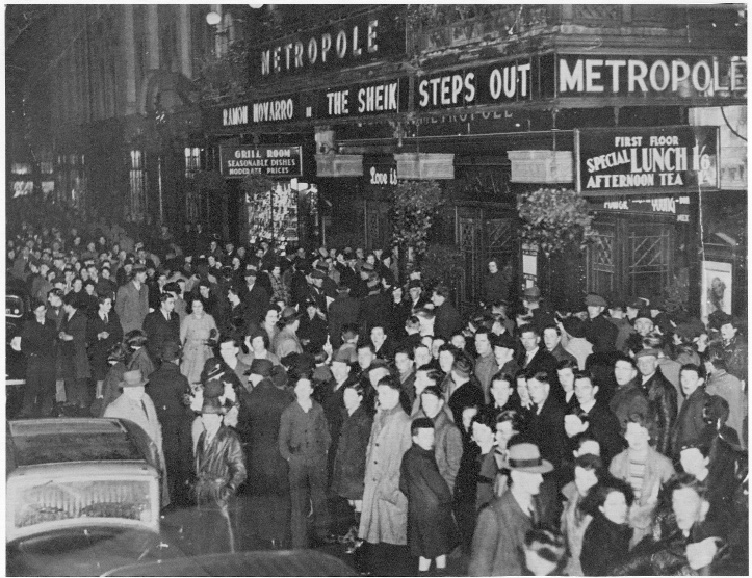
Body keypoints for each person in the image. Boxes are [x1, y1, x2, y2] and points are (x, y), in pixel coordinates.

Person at [612, 474, 726, 574]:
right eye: (676, 502)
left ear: (704, 507)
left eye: (687, 502)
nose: (680, 509)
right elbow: (629, 564)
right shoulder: (669, 530)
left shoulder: (710, 541)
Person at [468, 442, 552, 576]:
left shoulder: (537, 504)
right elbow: (479, 571)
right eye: (534, 473)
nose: (541, 478)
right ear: (516, 477)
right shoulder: (492, 515)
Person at [359, 375, 413, 576]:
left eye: (387, 393)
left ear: (398, 393)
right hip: (375, 490)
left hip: (391, 492)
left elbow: (406, 463)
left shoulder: (405, 422)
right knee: (376, 542)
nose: (383, 397)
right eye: (380, 393)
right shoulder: (379, 417)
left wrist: (391, 489)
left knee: (394, 542)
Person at [399, 417, 458, 575]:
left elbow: (402, 484)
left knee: (425, 552)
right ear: (415, 438)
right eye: (425, 436)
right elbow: (440, 487)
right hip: (435, 513)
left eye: (432, 435)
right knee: (440, 549)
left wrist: (417, 497)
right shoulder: (423, 458)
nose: (430, 440)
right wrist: (446, 501)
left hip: (418, 512)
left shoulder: (409, 455)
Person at [189, 396, 247, 554]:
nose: (206, 420)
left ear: (220, 418)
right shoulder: (203, 436)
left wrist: (226, 493)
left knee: (225, 544)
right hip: (203, 496)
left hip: (220, 496)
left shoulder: (229, 438)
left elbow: (239, 471)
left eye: (210, 417)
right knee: (205, 542)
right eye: (204, 416)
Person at [278, 375, 331, 548]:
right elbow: (282, 440)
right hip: (298, 460)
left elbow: (325, 434)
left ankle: (322, 535)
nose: (302, 390)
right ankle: (298, 542)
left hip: (317, 460)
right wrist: (290, 458)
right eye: (299, 387)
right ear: (295, 390)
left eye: (306, 387)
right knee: (298, 501)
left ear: (311, 390)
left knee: (320, 497)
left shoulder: (318, 409)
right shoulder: (289, 411)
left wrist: (324, 451)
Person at [609, 411, 675, 547]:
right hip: (623, 525)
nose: (636, 439)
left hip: (650, 528)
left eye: (641, 434)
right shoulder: (617, 461)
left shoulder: (662, 463)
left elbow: (674, 498)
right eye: (631, 434)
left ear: (649, 435)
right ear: (625, 436)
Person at [104, 369, 168, 505]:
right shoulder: (115, 409)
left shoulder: (146, 399)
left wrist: (159, 452)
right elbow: (111, 443)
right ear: (126, 389)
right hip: (136, 466)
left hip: (155, 457)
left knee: (158, 500)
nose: (140, 390)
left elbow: (156, 426)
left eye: (142, 386)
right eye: (136, 388)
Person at [148, 340, 193, 506]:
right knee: (179, 464)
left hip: (159, 426)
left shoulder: (151, 378)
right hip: (178, 429)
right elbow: (186, 404)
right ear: (177, 359)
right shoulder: (180, 379)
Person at [331, 381, 373, 547]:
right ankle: (354, 538)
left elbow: (366, 447)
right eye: (345, 395)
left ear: (360, 397)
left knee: (359, 505)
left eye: (351, 396)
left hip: (357, 470)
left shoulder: (363, 420)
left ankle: (361, 542)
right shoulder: (344, 415)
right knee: (350, 503)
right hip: (344, 468)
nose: (346, 399)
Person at [579, 475, 634, 575]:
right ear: (601, 508)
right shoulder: (598, 535)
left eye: (623, 503)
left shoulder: (614, 525)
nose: (621, 509)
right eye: (613, 504)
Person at [561, 453, 602, 576]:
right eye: (578, 478)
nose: (582, 484)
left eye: (588, 479)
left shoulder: (603, 508)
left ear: (598, 479)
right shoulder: (572, 499)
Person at [419, 385, 463, 494]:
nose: (426, 406)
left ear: (440, 402)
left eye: (430, 401)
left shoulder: (450, 430)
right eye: (423, 402)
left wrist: (443, 492)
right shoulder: (425, 425)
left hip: (439, 493)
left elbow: (455, 468)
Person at [635, 348, 677, 455]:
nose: (644, 365)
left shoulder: (663, 387)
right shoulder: (637, 382)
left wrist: (661, 454)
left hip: (654, 444)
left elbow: (668, 424)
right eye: (641, 362)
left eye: (648, 361)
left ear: (656, 363)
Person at [20, 299, 58, 417]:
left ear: (46, 310)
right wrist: (30, 354)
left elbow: (53, 340)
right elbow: (24, 343)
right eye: (38, 311)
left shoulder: (51, 323)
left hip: (47, 359)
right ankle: (27, 410)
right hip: (34, 359)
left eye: (43, 311)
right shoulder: (29, 324)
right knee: (31, 385)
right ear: (34, 312)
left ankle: (47, 410)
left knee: (48, 385)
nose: (41, 314)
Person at [704, 346, 746, 444]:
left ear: (709, 364)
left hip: (724, 438)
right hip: (739, 433)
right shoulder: (735, 380)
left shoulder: (712, 387)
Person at [671, 364, 712, 461]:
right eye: (683, 377)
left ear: (700, 381)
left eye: (692, 378)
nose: (686, 382)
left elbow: (706, 437)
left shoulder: (700, 401)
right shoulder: (690, 397)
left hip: (693, 459)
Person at [59, 291, 91, 413]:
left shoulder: (81, 317)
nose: (62, 307)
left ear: (69, 305)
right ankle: (72, 399)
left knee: (80, 377)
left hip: (77, 351)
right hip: (67, 350)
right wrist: (61, 334)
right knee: (69, 375)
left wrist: (71, 337)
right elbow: (61, 329)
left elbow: (84, 335)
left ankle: (82, 402)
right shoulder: (65, 317)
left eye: (64, 305)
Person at [87, 295, 123, 400]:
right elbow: (88, 336)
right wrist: (98, 336)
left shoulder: (114, 317)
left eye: (110, 303)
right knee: (100, 379)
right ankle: (100, 401)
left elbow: (120, 333)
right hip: (98, 354)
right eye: (107, 304)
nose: (110, 306)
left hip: (112, 353)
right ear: (100, 305)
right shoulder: (92, 319)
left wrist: (111, 336)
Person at [180, 297, 218, 388]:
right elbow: (181, 337)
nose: (197, 309)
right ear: (191, 307)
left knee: (207, 376)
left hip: (205, 351)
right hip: (191, 352)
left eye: (199, 306)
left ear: (203, 306)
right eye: (194, 306)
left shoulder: (209, 318)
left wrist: (212, 340)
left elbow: (215, 332)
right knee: (190, 377)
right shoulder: (187, 319)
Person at [143, 292, 180, 365]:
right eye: (170, 303)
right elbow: (148, 338)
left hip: (172, 354)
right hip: (157, 356)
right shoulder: (151, 317)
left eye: (174, 303)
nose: (173, 305)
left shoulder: (176, 316)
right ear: (162, 304)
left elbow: (177, 334)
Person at [115, 263, 150, 333]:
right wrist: (127, 320)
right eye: (144, 275)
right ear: (137, 274)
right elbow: (118, 309)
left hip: (142, 325)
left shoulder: (145, 288)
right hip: (128, 326)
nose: (146, 277)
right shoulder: (124, 289)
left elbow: (146, 306)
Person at [473, 329, 499, 404]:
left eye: (483, 341)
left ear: (490, 342)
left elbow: (486, 392)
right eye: (476, 341)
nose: (478, 344)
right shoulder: (479, 359)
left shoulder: (494, 362)